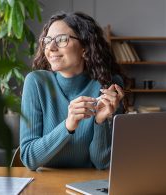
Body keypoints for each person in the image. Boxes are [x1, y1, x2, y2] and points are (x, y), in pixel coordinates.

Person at [20, 11, 126, 171]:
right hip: (44, 183)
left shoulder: (109, 86)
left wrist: (100, 122)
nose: (51, 48)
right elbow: (29, 157)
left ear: (85, 47)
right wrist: (68, 125)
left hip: (88, 185)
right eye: (47, 41)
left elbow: (103, 163)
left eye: (61, 39)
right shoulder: (36, 83)